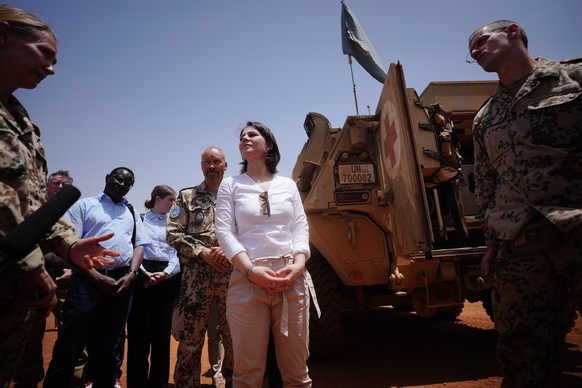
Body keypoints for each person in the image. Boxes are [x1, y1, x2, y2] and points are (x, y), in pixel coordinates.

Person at [0, 6, 118, 387]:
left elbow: (32, 200)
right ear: (3, 36)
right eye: (44, 54)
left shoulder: (21, 119)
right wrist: (33, 264)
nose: (51, 69)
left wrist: (69, 245)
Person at [469, 20, 582, 387]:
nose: (475, 50)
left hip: (577, 223)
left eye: (482, 40)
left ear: (513, 32)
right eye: (472, 50)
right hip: (519, 244)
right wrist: (491, 245)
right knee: (522, 351)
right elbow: (487, 184)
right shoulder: (485, 117)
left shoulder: (572, 77)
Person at [215, 121, 319, 387]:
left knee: (297, 373)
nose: (245, 139)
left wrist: (298, 265)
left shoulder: (288, 185)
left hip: (291, 279)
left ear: (269, 144)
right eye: (241, 136)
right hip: (247, 280)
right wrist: (250, 271)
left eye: (252, 134)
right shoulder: (231, 185)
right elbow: (225, 232)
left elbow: (299, 227)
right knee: (248, 374)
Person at [44, 167, 150, 388]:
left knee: (109, 348)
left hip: (121, 285)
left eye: (127, 183)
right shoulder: (85, 205)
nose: (121, 184)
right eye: (118, 179)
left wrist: (131, 275)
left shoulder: (131, 211)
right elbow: (71, 247)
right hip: (86, 282)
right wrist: (95, 276)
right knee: (70, 346)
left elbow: (139, 244)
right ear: (107, 178)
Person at [167, 146, 233, 388]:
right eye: (207, 162)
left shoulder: (236, 195)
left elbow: (250, 232)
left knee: (234, 336)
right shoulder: (186, 197)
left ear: (225, 165)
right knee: (190, 340)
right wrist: (202, 251)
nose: (212, 166)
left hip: (233, 278)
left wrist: (229, 249)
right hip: (196, 281)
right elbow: (173, 233)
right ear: (201, 166)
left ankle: (235, 381)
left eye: (217, 161)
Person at [126, 185, 181, 388]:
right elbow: (134, 249)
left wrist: (165, 274)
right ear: (158, 199)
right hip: (142, 277)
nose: (174, 204)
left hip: (167, 279)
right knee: (138, 335)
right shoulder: (139, 220)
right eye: (171, 200)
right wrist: (143, 273)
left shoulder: (174, 223)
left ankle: (158, 383)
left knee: (161, 335)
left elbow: (177, 252)